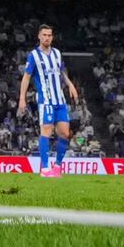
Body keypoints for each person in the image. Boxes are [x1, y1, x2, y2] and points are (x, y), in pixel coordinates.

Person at [20, 26, 83, 174]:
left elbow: (62, 72)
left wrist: (71, 85)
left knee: (65, 133)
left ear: (52, 37)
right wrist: (22, 98)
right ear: (39, 36)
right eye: (44, 35)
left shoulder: (57, 53)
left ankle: (57, 167)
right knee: (46, 132)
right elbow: (26, 77)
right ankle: (45, 168)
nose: (47, 37)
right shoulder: (34, 55)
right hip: (46, 100)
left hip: (60, 100)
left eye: (49, 35)